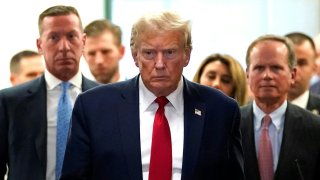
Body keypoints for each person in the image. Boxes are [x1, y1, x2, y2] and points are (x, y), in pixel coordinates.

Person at [61, 11, 244, 180]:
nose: (159, 64)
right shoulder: (93, 107)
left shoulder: (221, 110)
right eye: (149, 53)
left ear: (187, 55)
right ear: (135, 56)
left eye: (170, 52)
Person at [0, 5, 99, 180]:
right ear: (40, 45)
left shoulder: (104, 98)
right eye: (54, 37)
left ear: (83, 41)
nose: (64, 47)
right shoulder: (10, 102)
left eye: (71, 36)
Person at [241, 34, 320, 180]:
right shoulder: (229, 124)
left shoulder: (315, 128)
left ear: (292, 74)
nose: (267, 75)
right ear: (247, 74)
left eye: (276, 68)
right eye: (258, 68)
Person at [285, 32, 320, 115]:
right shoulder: (258, 112)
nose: (294, 71)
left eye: (302, 63)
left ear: (314, 68)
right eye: (289, 62)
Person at [83, 19, 125, 84]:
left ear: (121, 51)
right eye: (91, 54)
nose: (99, 61)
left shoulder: (139, 92)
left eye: (105, 52)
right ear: (84, 56)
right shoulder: (78, 93)